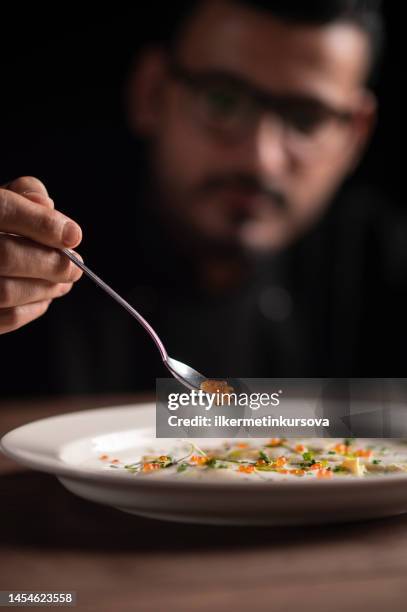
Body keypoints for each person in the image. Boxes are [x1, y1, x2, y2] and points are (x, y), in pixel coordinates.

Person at [1, 0, 403, 397]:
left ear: (355, 135)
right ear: (152, 92)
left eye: (306, 119)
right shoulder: (33, 230)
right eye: (223, 100)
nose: (260, 157)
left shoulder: (382, 259)